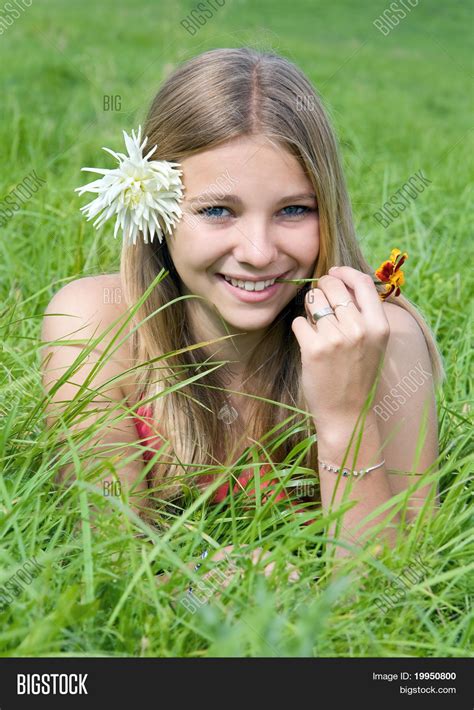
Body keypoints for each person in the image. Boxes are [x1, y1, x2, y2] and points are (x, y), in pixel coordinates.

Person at [40, 47, 442, 565]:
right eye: (217, 211)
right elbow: (106, 566)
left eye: (294, 209)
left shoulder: (381, 343)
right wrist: (201, 586)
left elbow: (397, 594)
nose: (257, 252)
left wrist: (344, 423)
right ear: (154, 211)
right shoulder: (93, 324)